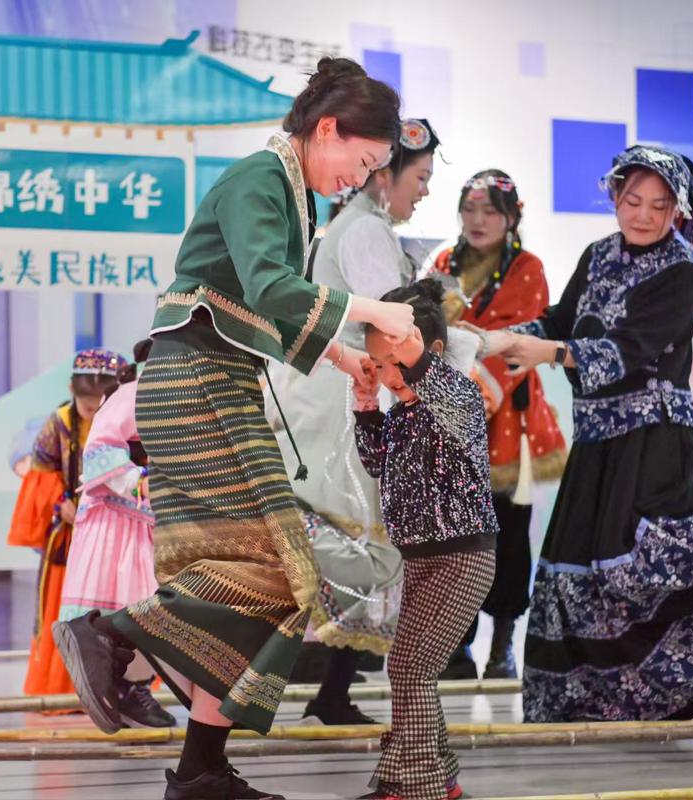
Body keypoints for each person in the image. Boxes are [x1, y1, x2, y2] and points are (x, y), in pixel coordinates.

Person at [52, 57, 414, 800]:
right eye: (363, 162)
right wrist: (370, 311)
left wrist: (342, 356)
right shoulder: (260, 178)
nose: (359, 178)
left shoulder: (289, 190)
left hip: (213, 381)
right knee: (272, 567)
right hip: (196, 384)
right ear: (327, 129)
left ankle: (199, 768)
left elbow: (262, 303)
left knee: (261, 579)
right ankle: (111, 637)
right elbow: (270, 288)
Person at [479, 145, 693, 721]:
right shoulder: (597, 254)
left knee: (641, 571)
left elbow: (627, 351)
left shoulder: (680, 271)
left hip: (654, 440)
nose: (642, 215)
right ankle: (581, 707)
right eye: (633, 201)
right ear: (615, 196)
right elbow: (561, 321)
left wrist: (547, 352)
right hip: (596, 442)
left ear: (676, 211)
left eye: (659, 206)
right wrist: (497, 340)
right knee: (575, 579)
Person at [266, 118, 442, 725]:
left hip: (338, 395)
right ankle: (297, 689)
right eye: (420, 178)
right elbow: (396, 324)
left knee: (349, 551)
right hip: (342, 403)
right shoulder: (365, 229)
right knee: (348, 550)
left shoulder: (357, 226)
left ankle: (329, 692)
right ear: (385, 175)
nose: (424, 191)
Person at [354, 279, 497, 800]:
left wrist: (410, 352)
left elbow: (437, 385)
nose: (388, 376)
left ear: (429, 352)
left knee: (410, 666)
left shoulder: (460, 397)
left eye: (395, 363)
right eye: (379, 365)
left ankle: (419, 786)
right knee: (414, 667)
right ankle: (432, 777)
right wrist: (366, 407)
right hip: (422, 558)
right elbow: (377, 464)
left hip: (462, 557)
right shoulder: (401, 414)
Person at [433, 169, 568, 680]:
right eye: (470, 209)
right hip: (449, 420)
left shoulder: (528, 269)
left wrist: (459, 395)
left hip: (510, 421)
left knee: (508, 538)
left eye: (490, 210)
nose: (478, 220)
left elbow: (512, 346)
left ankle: (503, 647)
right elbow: (433, 335)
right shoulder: (443, 265)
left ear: (511, 217)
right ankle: (458, 645)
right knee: (453, 537)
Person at [57, 338, 175, 727]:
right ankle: (122, 685)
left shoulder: (167, 395)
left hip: (147, 520)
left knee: (149, 609)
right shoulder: (133, 394)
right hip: (117, 521)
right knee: (130, 606)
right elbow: (101, 449)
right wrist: (140, 481)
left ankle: (131, 687)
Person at [7, 348, 127, 697]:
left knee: (116, 610)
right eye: (86, 405)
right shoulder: (58, 423)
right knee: (64, 612)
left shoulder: (127, 417)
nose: (92, 410)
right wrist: (61, 504)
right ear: (72, 390)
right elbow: (41, 476)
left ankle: (121, 692)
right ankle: (65, 689)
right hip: (71, 535)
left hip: (116, 531)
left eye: (99, 404)